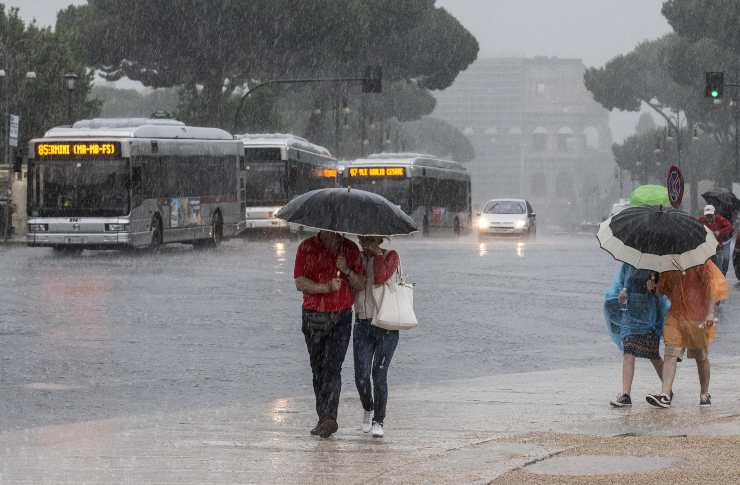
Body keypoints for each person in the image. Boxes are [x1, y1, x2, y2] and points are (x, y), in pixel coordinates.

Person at [294, 230, 365, 438]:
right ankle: (323, 416)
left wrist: (346, 270)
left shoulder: (350, 249)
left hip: (341, 316)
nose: (332, 232)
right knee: (318, 368)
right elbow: (299, 282)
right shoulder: (306, 248)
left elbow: (361, 284)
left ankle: (329, 418)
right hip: (313, 315)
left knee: (333, 367)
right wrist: (325, 287)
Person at [646, 260, 729, 408]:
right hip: (675, 315)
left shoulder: (702, 262)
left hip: (698, 316)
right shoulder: (667, 263)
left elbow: (713, 286)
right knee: (670, 353)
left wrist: (710, 313)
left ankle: (704, 393)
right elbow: (663, 291)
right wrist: (654, 286)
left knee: (701, 357)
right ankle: (665, 394)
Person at [353, 236, 400, 438]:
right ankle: (368, 407)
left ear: (378, 239)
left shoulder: (391, 256)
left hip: (385, 325)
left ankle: (379, 420)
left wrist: (377, 255)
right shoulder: (357, 258)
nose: (364, 242)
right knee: (361, 377)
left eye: (369, 239)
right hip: (362, 324)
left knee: (378, 375)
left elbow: (380, 277)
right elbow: (353, 284)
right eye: (362, 239)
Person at [604, 264, 669, 407]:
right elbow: (622, 283)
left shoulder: (657, 262)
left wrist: (655, 287)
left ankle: (667, 390)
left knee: (653, 354)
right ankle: (626, 395)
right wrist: (622, 292)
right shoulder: (628, 262)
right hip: (630, 315)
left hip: (649, 316)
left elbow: (663, 292)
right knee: (628, 352)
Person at [698, 205, 733, 276]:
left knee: (725, 259)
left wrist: (720, 231)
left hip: (724, 242)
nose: (709, 218)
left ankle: (723, 275)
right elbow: (695, 228)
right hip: (711, 245)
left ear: (714, 214)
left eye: (711, 215)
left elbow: (730, 227)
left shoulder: (720, 219)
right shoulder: (701, 220)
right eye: (707, 216)